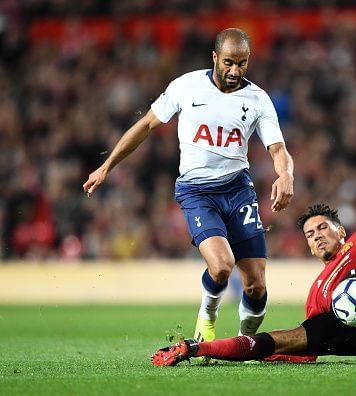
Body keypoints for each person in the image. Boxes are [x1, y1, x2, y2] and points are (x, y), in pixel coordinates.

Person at [151, 118, 356, 367]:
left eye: (322, 228)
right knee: (273, 339)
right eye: (310, 236)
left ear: (340, 230)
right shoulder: (318, 292)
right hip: (351, 338)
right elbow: (308, 352)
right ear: (311, 250)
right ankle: (193, 349)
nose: (316, 236)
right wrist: (268, 353)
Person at [83, 28, 294, 344]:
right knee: (222, 266)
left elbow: (278, 149)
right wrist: (107, 166)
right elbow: (145, 126)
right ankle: (207, 316)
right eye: (228, 63)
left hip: (238, 189)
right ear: (214, 58)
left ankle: (245, 343)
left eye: (242, 63)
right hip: (197, 192)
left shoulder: (258, 99)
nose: (235, 71)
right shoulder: (186, 87)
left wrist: (286, 175)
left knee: (255, 284)